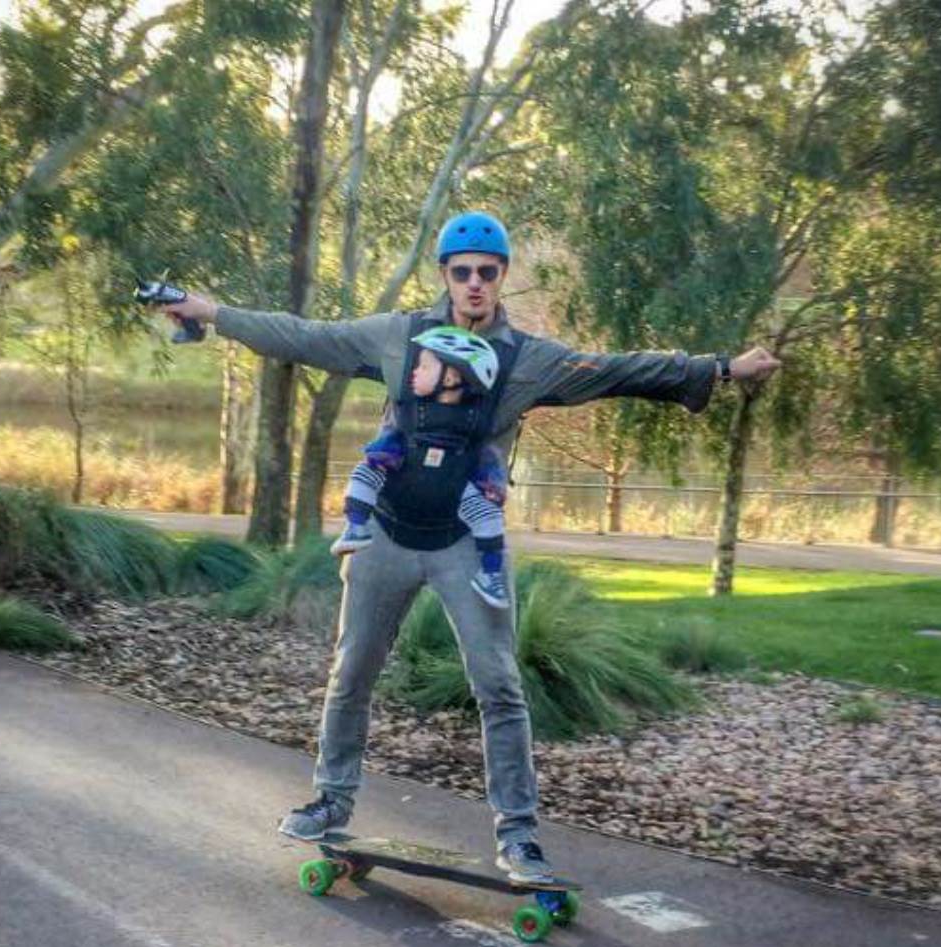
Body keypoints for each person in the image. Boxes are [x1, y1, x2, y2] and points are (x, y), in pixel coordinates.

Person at [163, 210, 781, 883]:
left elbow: (618, 370)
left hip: (467, 545)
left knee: (499, 687)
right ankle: (330, 800)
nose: (476, 283)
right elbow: (305, 336)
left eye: (488, 272)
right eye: (463, 272)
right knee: (352, 674)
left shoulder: (530, 361)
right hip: (387, 538)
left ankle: (518, 839)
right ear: (445, 276)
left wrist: (719, 368)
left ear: (502, 277)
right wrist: (212, 311)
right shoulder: (399, 337)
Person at [334, 324, 513, 610]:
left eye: (425, 367)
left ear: (452, 376)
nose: (415, 372)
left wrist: (492, 486)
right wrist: (382, 457)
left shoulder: (474, 423)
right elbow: (391, 440)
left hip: (454, 490)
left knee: (488, 516)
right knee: (365, 472)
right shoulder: (409, 411)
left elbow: (486, 458)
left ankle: (490, 574)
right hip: (403, 481)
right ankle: (356, 525)